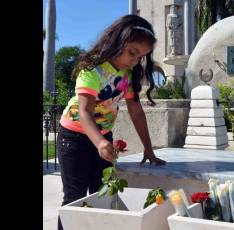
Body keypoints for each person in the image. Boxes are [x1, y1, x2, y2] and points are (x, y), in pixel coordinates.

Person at [56, 14, 166, 230]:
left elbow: (136, 111)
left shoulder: (127, 75)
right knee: (74, 197)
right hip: (74, 137)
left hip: (103, 137)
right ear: (117, 40)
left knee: (103, 193)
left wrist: (148, 149)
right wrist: (99, 142)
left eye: (140, 57)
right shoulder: (91, 70)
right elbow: (85, 112)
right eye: (132, 53)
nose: (135, 61)